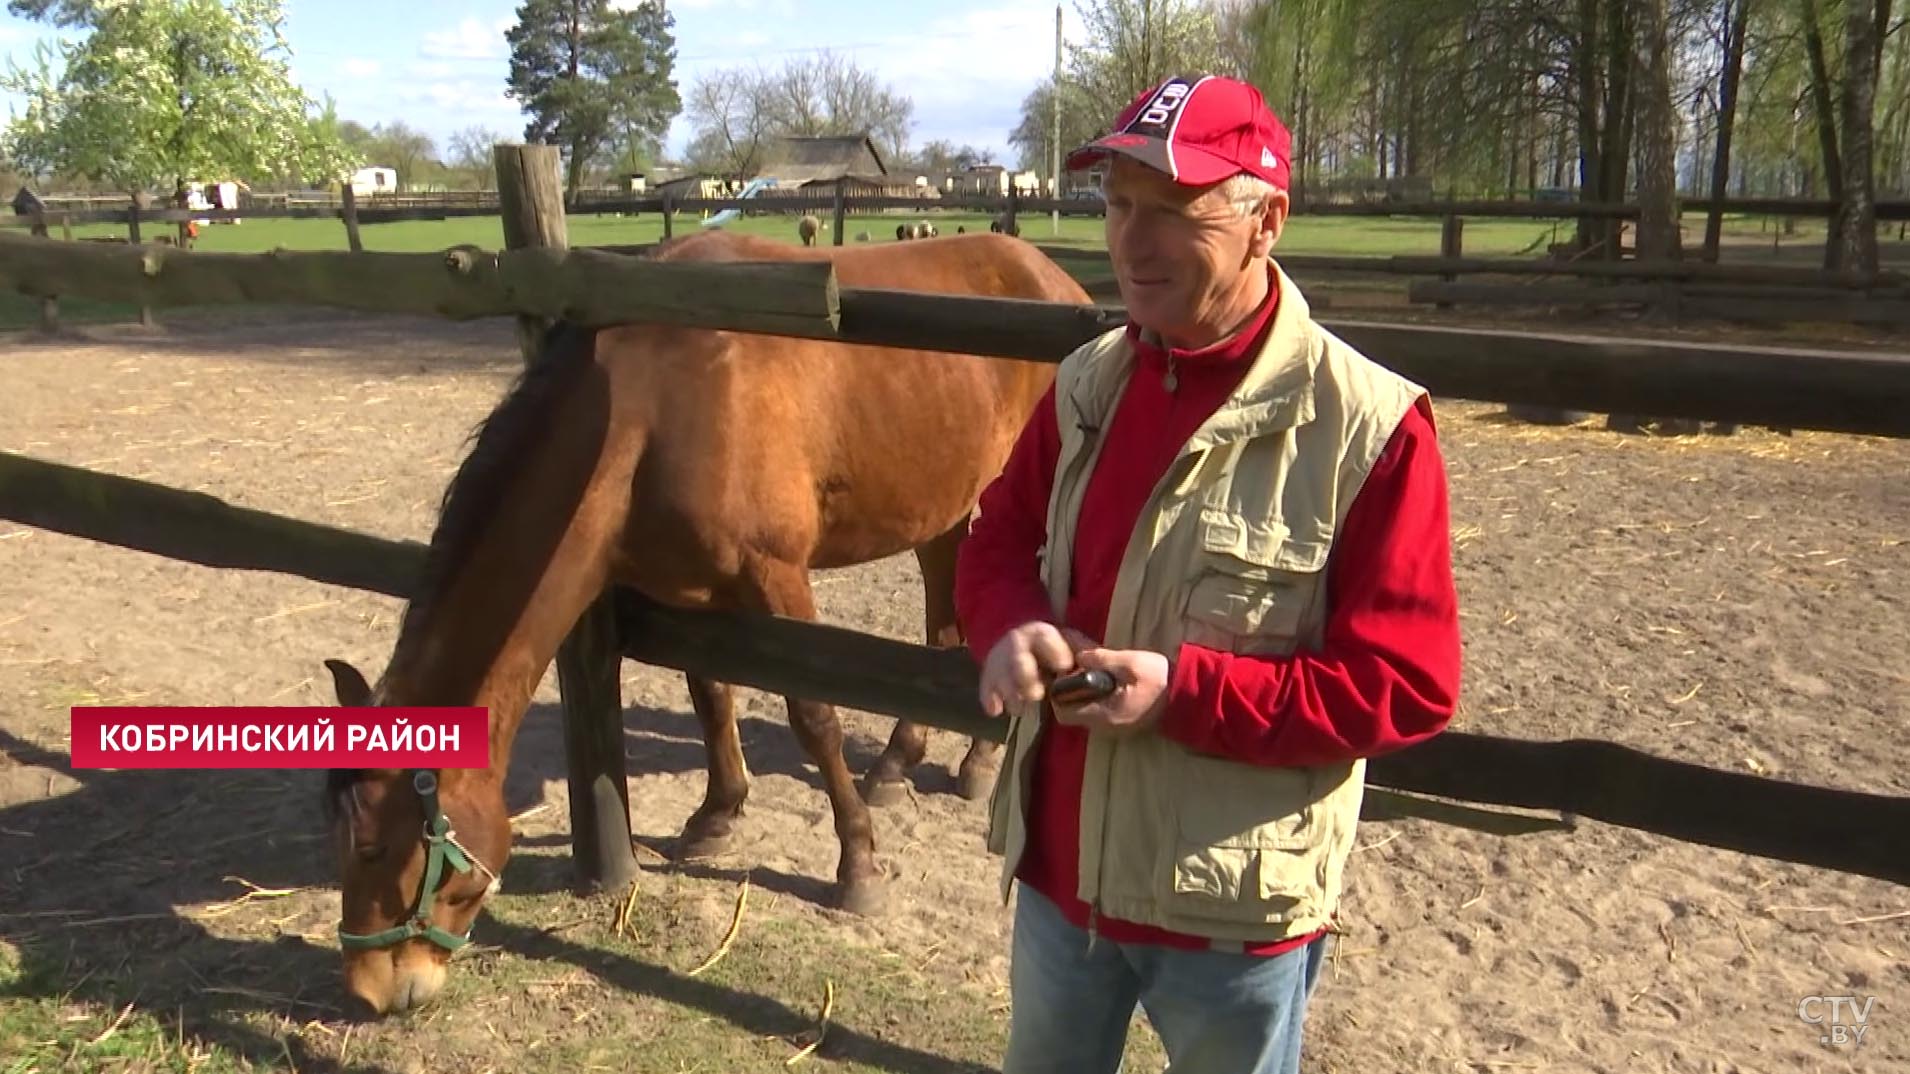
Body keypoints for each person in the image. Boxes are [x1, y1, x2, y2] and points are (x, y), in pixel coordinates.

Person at [954, 73, 1463, 1074]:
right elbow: (996, 539)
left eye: (1172, 212)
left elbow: (1403, 687)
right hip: (1060, 883)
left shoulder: (1369, 429)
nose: (1130, 244)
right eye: (1117, 206)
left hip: (1226, 918)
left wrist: (1183, 694)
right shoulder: (1087, 382)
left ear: (1264, 220)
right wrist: (1006, 622)